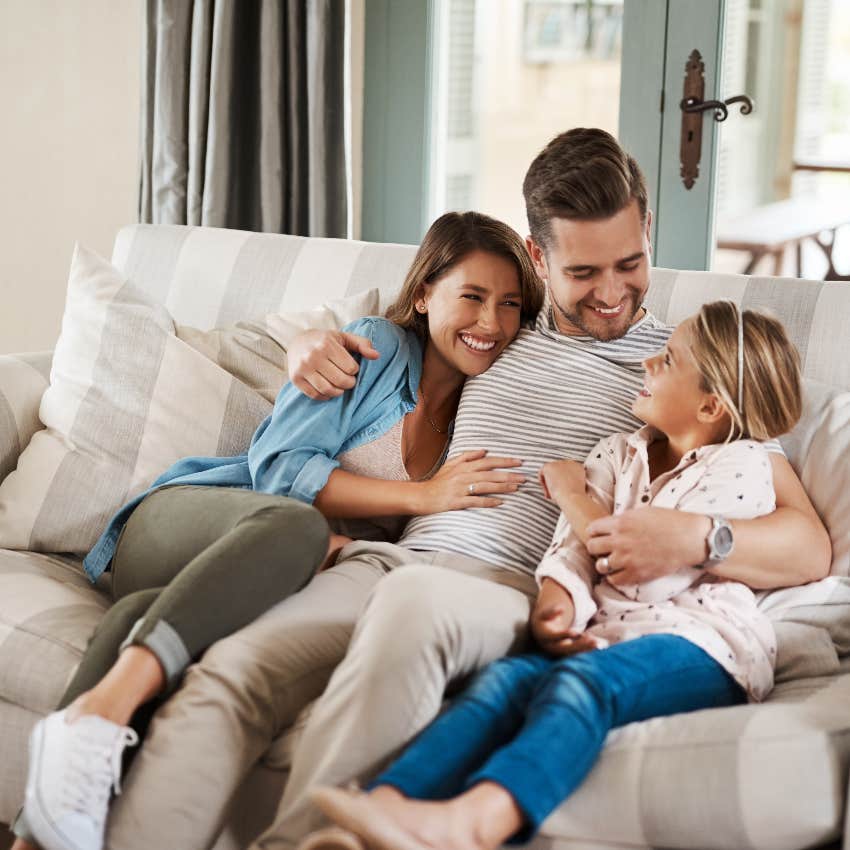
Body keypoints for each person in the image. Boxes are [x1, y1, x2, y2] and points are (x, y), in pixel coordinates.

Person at [83, 128, 827, 850]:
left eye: (628, 264)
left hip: (511, 585)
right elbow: (390, 337)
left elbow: (801, 535)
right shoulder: (494, 328)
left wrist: (702, 538)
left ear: (648, 233)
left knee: (415, 605)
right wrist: (306, 346)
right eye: (581, 274)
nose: (610, 294)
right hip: (390, 563)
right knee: (231, 673)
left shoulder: (680, 370)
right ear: (538, 258)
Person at [12, 211, 544, 850]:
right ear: (426, 292)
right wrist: (419, 496)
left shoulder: (483, 406)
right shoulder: (371, 349)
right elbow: (281, 469)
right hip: (193, 521)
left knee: (145, 620)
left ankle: (46, 814)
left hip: (259, 579)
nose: (491, 323)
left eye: (510, 305)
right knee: (294, 524)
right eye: (473, 297)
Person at [307, 300, 803, 850]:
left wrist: (571, 495)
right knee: (503, 683)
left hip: (703, 646)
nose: (647, 363)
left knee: (579, 686)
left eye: (667, 361)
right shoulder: (619, 452)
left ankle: (475, 824)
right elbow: (570, 550)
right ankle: (386, 807)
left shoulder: (741, 465)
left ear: (711, 405)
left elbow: (643, 575)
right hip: (613, 633)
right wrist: (556, 603)